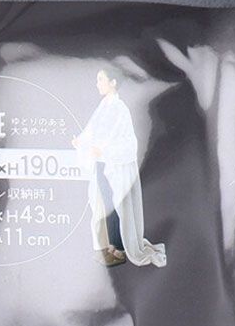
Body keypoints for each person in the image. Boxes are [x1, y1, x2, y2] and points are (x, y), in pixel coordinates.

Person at [72, 67, 167, 268]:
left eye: (101, 79)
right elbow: (91, 131)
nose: (98, 84)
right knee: (103, 205)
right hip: (101, 164)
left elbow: (124, 140)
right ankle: (108, 247)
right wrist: (81, 141)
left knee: (114, 206)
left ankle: (118, 249)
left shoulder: (120, 108)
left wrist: (103, 150)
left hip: (114, 165)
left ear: (113, 82)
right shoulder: (103, 106)